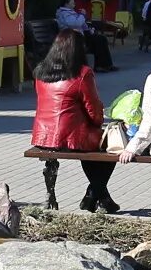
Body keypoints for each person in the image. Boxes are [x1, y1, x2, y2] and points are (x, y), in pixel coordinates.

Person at [29, 28, 118, 211]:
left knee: (92, 150)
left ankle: (97, 198)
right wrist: (100, 121)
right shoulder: (83, 73)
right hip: (70, 137)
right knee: (110, 147)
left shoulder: (40, 72)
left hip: (43, 137)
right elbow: (93, 111)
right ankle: (96, 195)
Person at [54, 0, 120, 72]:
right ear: (66, 3)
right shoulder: (63, 13)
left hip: (80, 35)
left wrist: (88, 29)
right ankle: (100, 66)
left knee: (101, 39)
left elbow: (81, 24)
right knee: (98, 41)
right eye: (72, 2)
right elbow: (75, 23)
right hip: (73, 37)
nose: (74, 4)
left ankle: (106, 64)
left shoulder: (70, 12)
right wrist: (82, 15)